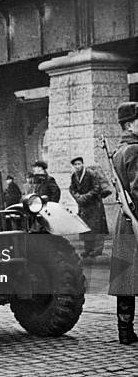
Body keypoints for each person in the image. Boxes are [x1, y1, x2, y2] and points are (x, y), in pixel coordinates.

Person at [109, 102, 138, 345]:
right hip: (136, 217)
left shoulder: (120, 150)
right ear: (130, 124)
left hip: (125, 219)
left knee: (128, 277)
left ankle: (125, 331)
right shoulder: (135, 151)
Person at [69, 156, 109, 258]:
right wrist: (78, 197)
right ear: (73, 166)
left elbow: (96, 188)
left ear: (83, 164)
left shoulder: (91, 173)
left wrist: (85, 197)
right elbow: (72, 189)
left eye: (79, 164)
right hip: (83, 207)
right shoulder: (74, 176)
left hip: (94, 205)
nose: (77, 166)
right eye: (75, 165)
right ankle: (88, 249)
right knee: (86, 228)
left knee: (97, 228)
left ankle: (97, 250)